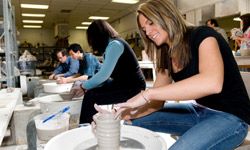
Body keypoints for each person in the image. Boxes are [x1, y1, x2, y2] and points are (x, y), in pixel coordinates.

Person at [114, 0, 250, 150]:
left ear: (167, 16)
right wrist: (121, 113)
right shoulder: (166, 52)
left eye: (151, 23)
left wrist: (147, 94)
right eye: (144, 28)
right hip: (198, 111)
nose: (148, 32)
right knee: (131, 123)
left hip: (231, 117)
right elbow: (157, 103)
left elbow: (212, 83)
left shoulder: (203, 35)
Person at [70, 20, 146, 123]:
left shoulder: (115, 45)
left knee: (91, 96)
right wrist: (87, 85)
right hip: (122, 83)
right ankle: (89, 124)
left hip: (133, 87)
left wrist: (83, 87)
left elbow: (103, 76)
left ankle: (84, 128)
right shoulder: (111, 45)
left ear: (97, 37)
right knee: (91, 90)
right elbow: (105, 74)